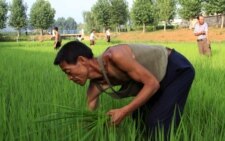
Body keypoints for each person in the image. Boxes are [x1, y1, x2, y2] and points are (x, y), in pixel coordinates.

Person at [53, 41, 195, 140]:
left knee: (157, 122)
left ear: (82, 61)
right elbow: (89, 116)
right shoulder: (94, 86)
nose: (69, 78)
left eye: (68, 71)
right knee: (138, 117)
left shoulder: (115, 56)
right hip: (156, 77)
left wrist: (123, 111)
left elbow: (152, 85)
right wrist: (96, 127)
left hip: (176, 70)